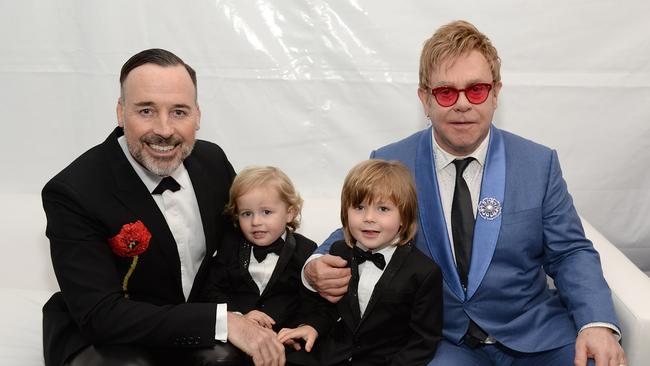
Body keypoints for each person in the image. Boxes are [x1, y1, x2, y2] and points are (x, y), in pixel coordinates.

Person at [303, 21, 627, 366]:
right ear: (425, 98)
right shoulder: (392, 162)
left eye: (475, 90)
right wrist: (314, 267)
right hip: (439, 340)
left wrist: (597, 323)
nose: (461, 104)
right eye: (445, 92)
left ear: (496, 93)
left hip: (536, 335)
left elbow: (570, 253)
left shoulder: (538, 163)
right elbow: (356, 231)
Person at [42, 48, 284, 366]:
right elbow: (101, 315)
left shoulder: (212, 162)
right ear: (120, 111)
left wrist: (315, 267)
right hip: (106, 333)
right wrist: (223, 322)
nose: (165, 130)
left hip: (193, 322)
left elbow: (249, 236)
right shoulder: (73, 191)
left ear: (197, 115)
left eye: (179, 112)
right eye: (146, 111)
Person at [279, 159, 442, 365]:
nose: (369, 218)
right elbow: (327, 308)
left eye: (383, 209)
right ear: (345, 214)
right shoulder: (339, 252)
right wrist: (313, 326)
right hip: (332, 356)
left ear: (404, 216)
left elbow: (423, 341)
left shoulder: (424, 272)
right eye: (359, 207)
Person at [199, 166, 318, 332]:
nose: (255, 222)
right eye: (247, 214)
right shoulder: (229, 245)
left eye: (266, 212)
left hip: (286, 339)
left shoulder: (306, 250)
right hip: (236, 336)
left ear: (290, 213)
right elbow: (210, 291)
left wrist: (301, 328)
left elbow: (313, 302)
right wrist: (238, 316)